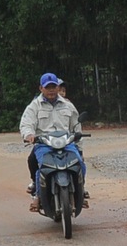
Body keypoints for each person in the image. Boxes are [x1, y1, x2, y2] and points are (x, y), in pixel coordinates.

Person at [20, 72, 86, 211]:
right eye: (47, 87)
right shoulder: (34, 106)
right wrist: (29, 134)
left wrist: (78, 140)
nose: (51, 90)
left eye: (53, 86)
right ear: (41, 88)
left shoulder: (68, 105)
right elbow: (26, 123)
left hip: (66, 143)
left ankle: (80, 193)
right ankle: (38, 196)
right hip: (44, 145)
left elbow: (76, 124)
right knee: (42, 167)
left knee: (80, 164)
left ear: (58, 87)